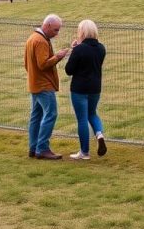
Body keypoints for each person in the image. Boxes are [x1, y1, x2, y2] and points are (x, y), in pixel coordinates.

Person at [24, 13, 70, 160]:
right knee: (51, 114)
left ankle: (33, 147)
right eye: (56, 30)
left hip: (34, 83)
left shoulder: (32, 38)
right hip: (44, 85)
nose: (57, 34)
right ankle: (42, 148)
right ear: (48, 25)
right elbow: (43, 64)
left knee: (36, 116)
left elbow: (27, 63)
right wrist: (58, 57)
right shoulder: (41, 41)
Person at [64, 19, 108, 160]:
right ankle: (99, 134)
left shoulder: (79, 49)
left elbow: (69, 70)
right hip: (95, 88)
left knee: (82, 119)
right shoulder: (101, 48)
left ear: (81, 32)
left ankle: (84, 152)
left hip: (79, 88)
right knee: (92, 113)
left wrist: (74, 50)